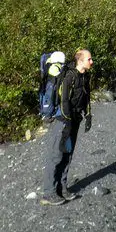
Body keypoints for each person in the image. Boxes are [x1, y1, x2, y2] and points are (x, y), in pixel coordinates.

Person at [41, 48, 93, 205]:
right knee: (56, 155)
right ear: (80, 60)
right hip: (62, 122)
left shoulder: (85, 76)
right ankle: (48, 193)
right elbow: (64, 101)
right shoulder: (69, 76)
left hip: (74, 120)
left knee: (68, 154)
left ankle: (62, 188)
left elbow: (87, 96)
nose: (91, 61)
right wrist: (68, 121)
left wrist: (89, 115)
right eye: (89, 59)